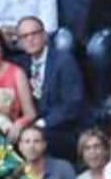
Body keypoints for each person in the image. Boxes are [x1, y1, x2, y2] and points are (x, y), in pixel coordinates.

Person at [12, 15, 88, 157]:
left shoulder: (64, 61)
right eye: (24, 36)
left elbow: (72, 105)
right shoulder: (20, 64)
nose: (30, 39)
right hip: (32, 129)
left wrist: (40, 125)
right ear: (20, 42)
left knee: (33, 140)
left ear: (44, 35)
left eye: (34, 33)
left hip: (63, 130)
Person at [45, 0, 111, 103]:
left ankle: (103, 99)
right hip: (67, 29)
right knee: (62, 44)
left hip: (98, 29)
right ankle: (66, 98)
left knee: (97, 49)